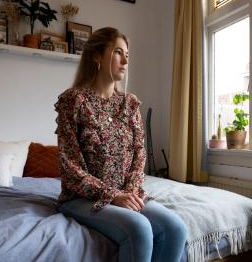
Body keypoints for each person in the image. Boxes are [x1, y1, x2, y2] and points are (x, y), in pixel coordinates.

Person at [55, 27, 187, 262]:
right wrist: (112, 195)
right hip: (81, 198)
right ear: (97, 55)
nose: (126, 60)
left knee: (176, 228)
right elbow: (69, 166)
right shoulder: (73, 101)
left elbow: (139, 155)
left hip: (127, 193)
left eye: (127, 54)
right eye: (118, 52)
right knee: (139, 228)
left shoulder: (129, 104)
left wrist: (129, 191)